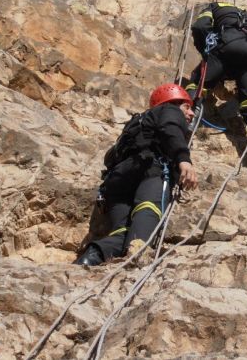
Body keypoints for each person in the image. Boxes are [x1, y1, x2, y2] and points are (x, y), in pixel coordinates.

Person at [73, 84, 198, 266]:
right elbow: (169, 128)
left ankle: (92, 255)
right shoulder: (170, 110)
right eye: (187, 107)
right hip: (150, 172)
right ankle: (133, 266)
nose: (192, 113)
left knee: (122, 233)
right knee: (143, 231)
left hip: (117, 181)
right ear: (173, 103)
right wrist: (183, 159)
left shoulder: (137, 125)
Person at [185, 2, 247, 159]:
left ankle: (187, 124)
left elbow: (199, 27)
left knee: (198, 83)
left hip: (227, 46)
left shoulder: (214, 6)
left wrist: (207, 54)